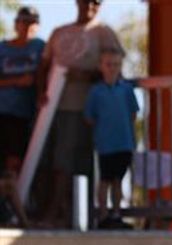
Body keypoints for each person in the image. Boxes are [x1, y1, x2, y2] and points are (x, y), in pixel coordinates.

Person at [36, 0, 124, 227]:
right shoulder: (59, 32)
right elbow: (43, 65)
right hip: (51, 110)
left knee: (74, 163)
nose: (90, 5)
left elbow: (115, 69)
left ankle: (70, 215)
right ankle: (54, 212)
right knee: (50, 162)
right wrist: (40, 93)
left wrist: (86, 75)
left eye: (96, 2)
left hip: (83, 109)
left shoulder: (104, 34)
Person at [83, 48, 138, 229]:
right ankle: (103, 215)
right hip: (105, 143)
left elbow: (132, 114)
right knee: (105, 179)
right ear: (101, 66)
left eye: (116, 64)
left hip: (124, 142)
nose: (112, 68)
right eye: (108, 64)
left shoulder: (127, 90)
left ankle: (116, 213)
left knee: (118, 180)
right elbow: (89, 117)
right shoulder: (96, 92)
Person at [0, 7, 44, 173]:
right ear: (16, 24)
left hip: (23, 115)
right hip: (2, 110)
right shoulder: (2, 49)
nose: (27, 26)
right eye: (23, 21)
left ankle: (12, 197)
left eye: (32, 22)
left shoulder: (40, 47)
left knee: (15, 162)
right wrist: (17, 81)